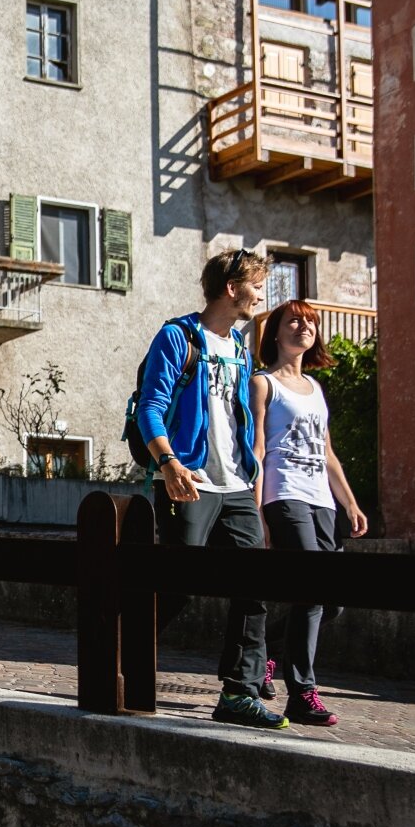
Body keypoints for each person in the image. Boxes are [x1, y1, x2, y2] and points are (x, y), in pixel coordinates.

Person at [135, 249, 288, 729]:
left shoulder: (240, 346)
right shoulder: (178, 337)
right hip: (190, 481)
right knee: (178, 585)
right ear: (231, 287)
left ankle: (239, 692)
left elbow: (238, 417)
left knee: (253, 587)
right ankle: (119, 654)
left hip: (237, 486)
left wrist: (252, 471)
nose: (260, 296)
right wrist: (170, 464)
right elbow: (150, 408)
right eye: (256, 286)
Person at [251, 299, 370, 726]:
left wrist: (350, 502)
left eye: (310, 322)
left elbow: (328, 452)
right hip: (284, 495)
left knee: (331, 600)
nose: (304, 326)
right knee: (311, 590)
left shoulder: (315, 389)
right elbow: (258, 450)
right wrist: (258, 513)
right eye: (294, 320)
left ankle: (267, 653)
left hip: (322, 500)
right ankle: (302, 694)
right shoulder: (263, 383)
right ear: (276, 332)